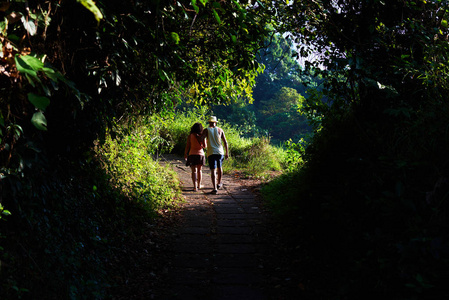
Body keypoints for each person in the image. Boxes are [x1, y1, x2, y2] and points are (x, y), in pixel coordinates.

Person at [199, 116, 229, 194]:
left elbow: (201, 138)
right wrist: (227, 153)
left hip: (211, 152)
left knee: (213, 170)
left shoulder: (206, 130)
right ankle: (219, 183)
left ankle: (215, 188)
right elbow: (225, 142)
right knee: (220, 167)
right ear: (215, 122)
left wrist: (202, 145)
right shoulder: (220, 130)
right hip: (220, 152)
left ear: (209, 122)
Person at [184, 122, 207, 192]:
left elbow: (187, 146)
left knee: (194, 171)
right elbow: (205, 146)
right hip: (200, 155)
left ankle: (194, 187)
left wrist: (185, 154)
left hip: (192, 154)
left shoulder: (190, 136)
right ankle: (199, 185)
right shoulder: (202, 136)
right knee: (199, 170)